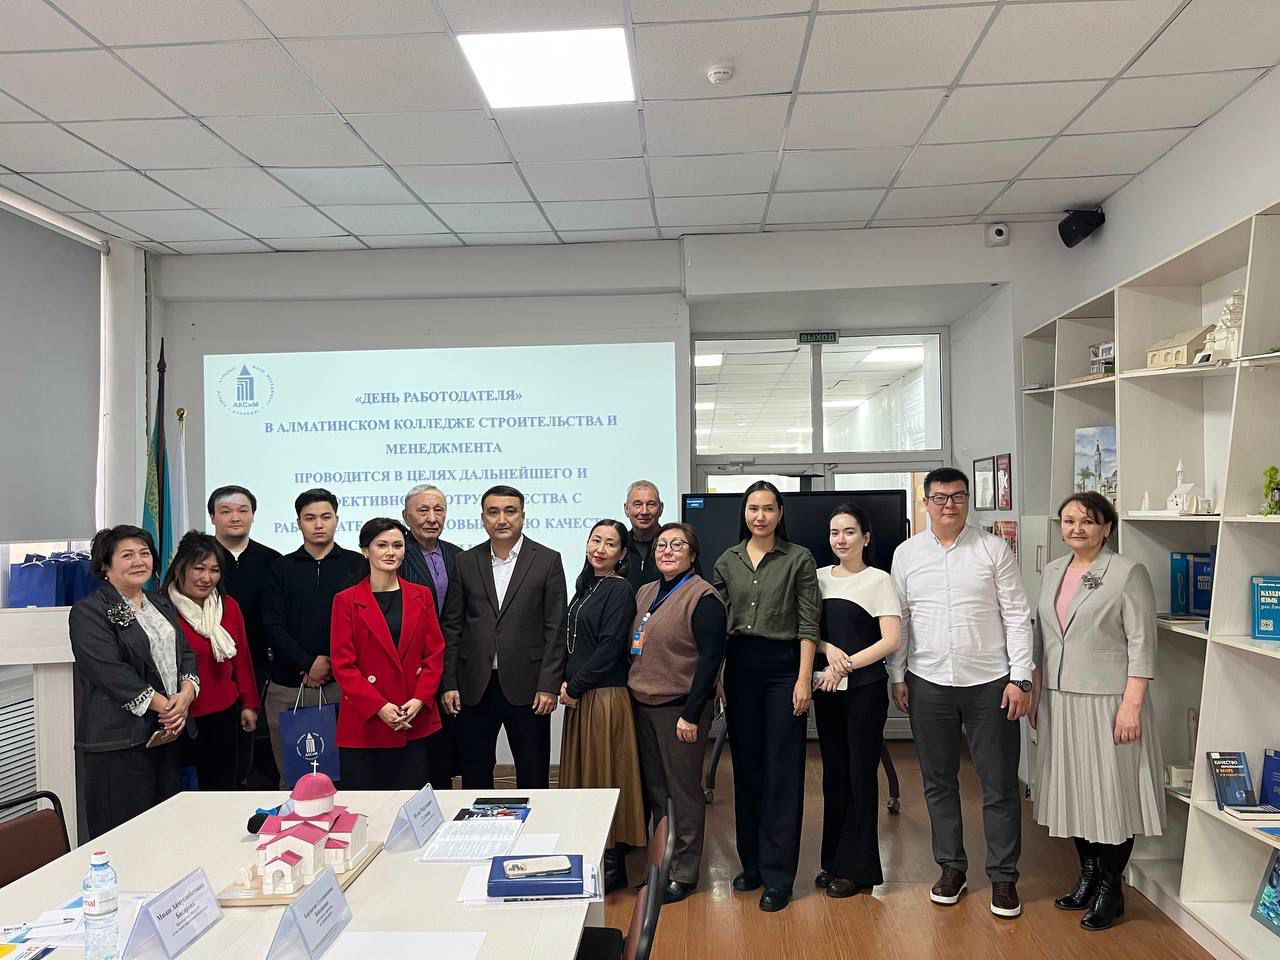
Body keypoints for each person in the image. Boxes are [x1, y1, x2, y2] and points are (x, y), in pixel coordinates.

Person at [889, 467, 1034, 919]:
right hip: (928, 680)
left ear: (968, 500)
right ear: (926, 503)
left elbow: (1017, 614)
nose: (949, 504)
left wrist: (1021, 677)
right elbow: (901, 618)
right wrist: (898, 674)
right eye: (939, 497)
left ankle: (1004, 876)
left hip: (990, 682)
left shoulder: (993, 549)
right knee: (938, 782)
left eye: (957, 496)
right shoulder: (907, 554)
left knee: (999, 783)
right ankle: (951, 867)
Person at [1032, 492, 1164, 931]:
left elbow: (1142, 644)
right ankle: (1087, 876)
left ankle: (1112, 888)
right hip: (1059, 698)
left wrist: (1132, 705)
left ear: (1107, 527)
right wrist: (1036, 691)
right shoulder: (1053, 571)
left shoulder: (1127, 572)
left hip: (1108, 700)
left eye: (1087, 521)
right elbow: (1043, 637)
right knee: (1074, 790)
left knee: (1111, 792)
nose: (1077, 528)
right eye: (1069, 521)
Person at [712, 480, 820, 913]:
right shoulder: (728, 560)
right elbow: (719, 626)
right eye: (753, 508)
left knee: (782, 771)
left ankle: (778, 875)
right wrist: (719, 675)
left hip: (783, 670)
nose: (760, 516)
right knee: (746, 769)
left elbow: (809, 623)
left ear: (780, 513)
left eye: (768, 508)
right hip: (740, 668)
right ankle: (752, 864)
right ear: (745, 513)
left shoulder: (799, 558)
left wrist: (803, 679)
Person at [69, 525, 199, 838]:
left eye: (144, 553)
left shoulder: (160, 603)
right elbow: (111, 672)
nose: (139, 561)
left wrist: (185, 695)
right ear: (105, 565)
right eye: (127, 555)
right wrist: (166, 706)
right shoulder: (89, 611)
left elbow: (184, 654)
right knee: (124, 836)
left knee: (166, 832)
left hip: (166, 734)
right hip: (118, 742)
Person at [440, 485, 568, 789]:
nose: (501, 519)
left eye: (510, 511)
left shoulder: (547, 560)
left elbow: (555, 628)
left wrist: (548, 685)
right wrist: (449, 683)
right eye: (493, 512)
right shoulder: (465, 561)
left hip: (529, 686)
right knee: (475, 774)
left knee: (533, 773)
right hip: (474, 686)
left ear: (522, 516)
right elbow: (452, 626)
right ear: (483, 518)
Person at [628, 521, 726, 904]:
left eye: (677, 545)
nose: (667, 551)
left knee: (684, 793)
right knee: (657, 792)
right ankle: (661, 864)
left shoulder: (703, 598)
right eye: (662, 545)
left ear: (693, 554)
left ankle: (684, 873)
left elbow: (710, 661)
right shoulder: (646, 592)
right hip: (644, 706)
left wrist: (692, 714)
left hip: (679, 711)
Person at [812, 504, 901, 898]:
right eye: (834, 532)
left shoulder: (879, 580)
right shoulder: (817, 577)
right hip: (826, 687)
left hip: (864, 688)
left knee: (860, 774)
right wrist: (828, 651)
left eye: (849, 532)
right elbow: (805, 629)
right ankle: (833, 860)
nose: (841, 539)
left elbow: (890, 640)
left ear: (865, 537)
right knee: (834, 773)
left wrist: (844, 666)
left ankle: (859, 869)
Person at [557, 520, 644, 893]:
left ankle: (612, 865)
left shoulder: (619, 590)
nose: (600, 548)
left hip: (604, 697)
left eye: (610, 544)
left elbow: (610, 648)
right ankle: (589, 851)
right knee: (586, 778)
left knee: (605, 778)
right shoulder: (585, 587)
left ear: (622, 554)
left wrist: (575, 686)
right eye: (596, 540)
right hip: (581, 697)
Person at [330, 518, 444, 790]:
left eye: (397, 545)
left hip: (412, 717)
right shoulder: (346, 600)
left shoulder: (421, 595)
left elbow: (435, 653)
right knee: (365, 806)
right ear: (365, 550)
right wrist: (379, 707)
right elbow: (344, 665)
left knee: (413, 802)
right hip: (366, 721)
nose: (391, 552)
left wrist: (420, 699)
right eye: (382, 545)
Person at [261, 489, 365, 784]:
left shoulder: (357, 565)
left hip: (343, 685)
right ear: (298, 523)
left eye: (325, 517)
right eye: (310, 518)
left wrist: (329, 662)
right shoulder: (281, 567)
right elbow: (272, 624)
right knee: (295, 777)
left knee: (345, 776)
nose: (319, 524)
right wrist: (308, 662)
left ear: (337, 520)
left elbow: (362, 625)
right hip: (289, 685)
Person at [162, 531, 261, 791]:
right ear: (180, 567)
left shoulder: (228, 606)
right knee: (178, 794)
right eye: (199, 568)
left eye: (214, 570)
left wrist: (249, 704)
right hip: (179, 717)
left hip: (224, 713)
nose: (207, 578)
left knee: (222, 789)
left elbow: (242, 659)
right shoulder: (161, 608)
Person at [208, 484, 280, 787]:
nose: (235, 517)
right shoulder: (199, 561)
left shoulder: (272, 560)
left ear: (253, 515)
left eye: (242, 510)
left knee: (262, 751)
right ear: (213, 517)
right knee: (221, 759)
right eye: (225, 511)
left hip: (262, 668)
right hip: (213, 669)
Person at [399, 483, 463, 791]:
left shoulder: (458, 555)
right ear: (406, 516)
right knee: (414, 756)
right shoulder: (398, 553)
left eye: (439, 510)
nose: (432, 518)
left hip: (450, 665)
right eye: (423, 510)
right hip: (410, 667)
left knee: (445, 753)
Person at [623, 480, 664, 592]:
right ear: (626, 509)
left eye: (651, 504)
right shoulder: (618, 546)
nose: (644, 511)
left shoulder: (676, 547)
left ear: (661, 508)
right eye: (638, 504)